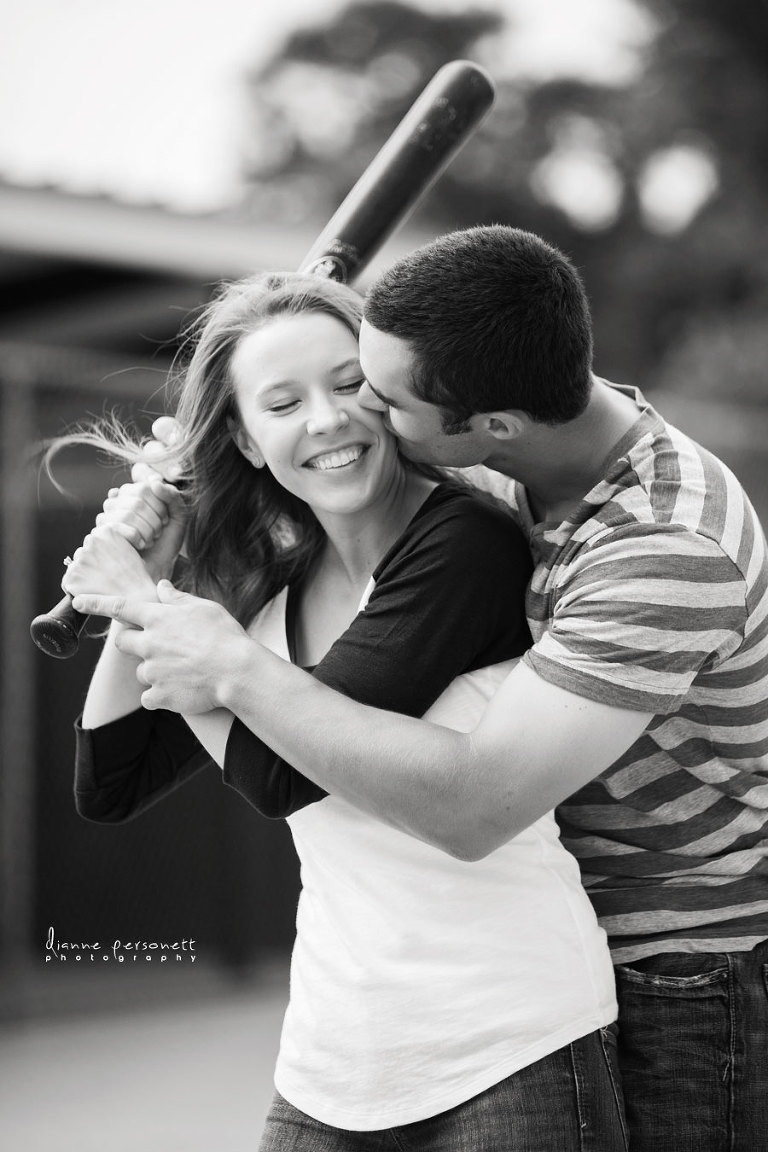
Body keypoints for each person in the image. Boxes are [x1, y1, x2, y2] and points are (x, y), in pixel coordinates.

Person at [75, 225, 768, 1152]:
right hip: (376, 1031)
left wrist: (184, 630)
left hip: (677, 962)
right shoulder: (488, 464)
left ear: (492, 429)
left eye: (372, 392)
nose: (350, 418)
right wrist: (170, 531)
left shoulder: (656, 544)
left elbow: (464, 802)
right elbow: (114, 780)